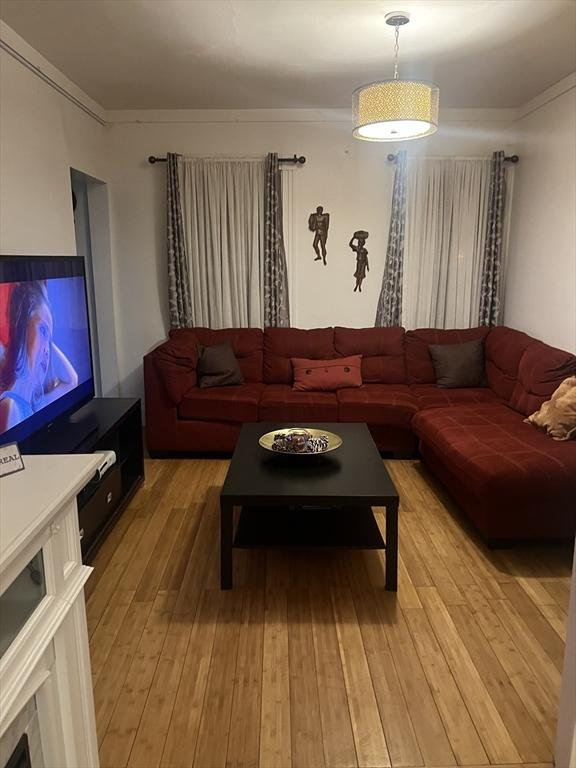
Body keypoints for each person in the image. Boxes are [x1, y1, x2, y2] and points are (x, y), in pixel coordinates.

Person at [0, 281, 78, 433]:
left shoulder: (34, 404)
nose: (47, 350)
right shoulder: (10, 406)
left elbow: (71, 381)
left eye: (50, 340)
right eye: (42, 330)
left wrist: (46, 339)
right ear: (22, 329)